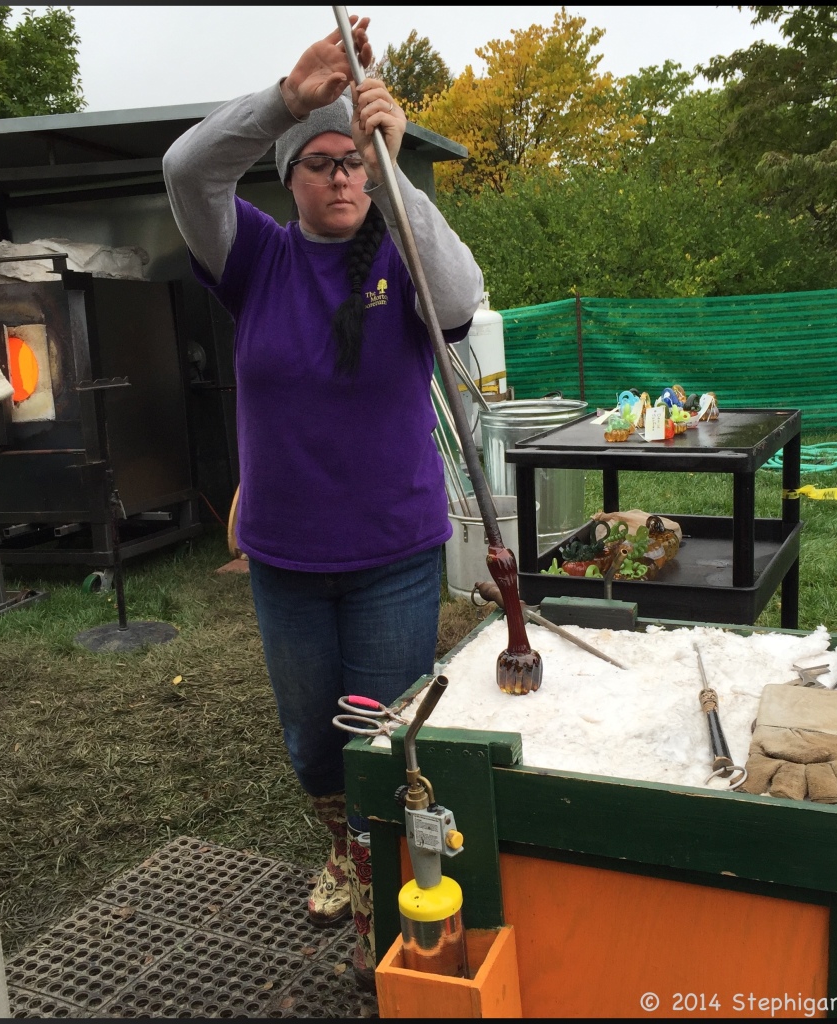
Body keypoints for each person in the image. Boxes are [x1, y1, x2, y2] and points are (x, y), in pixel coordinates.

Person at [162, 15, 484, 984]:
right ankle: (346, 848)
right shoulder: (253, 259)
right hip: (287, 558)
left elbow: (463, 299)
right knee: (312, 739)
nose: (341, 176)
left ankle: (388, 878)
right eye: (322, 162)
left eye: (355, 162)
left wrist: (397, 165)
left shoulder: (401, 253)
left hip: (392, 550)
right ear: (290, 177)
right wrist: (287, 103)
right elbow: (185, 171)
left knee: (380, 731)